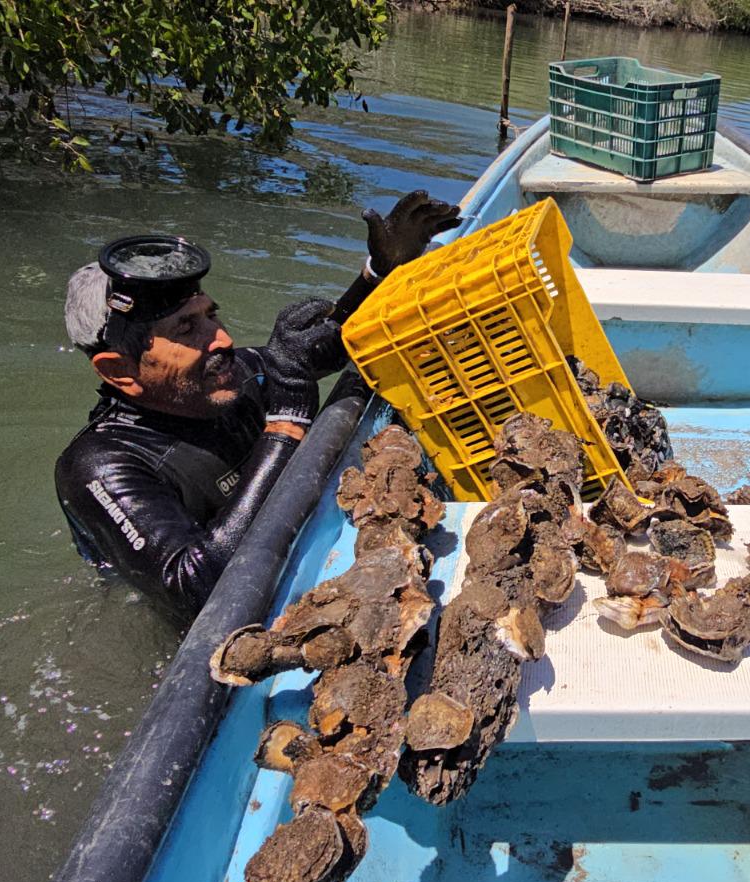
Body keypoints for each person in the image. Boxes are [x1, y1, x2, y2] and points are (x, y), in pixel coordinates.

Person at [55, 191, 460, 614]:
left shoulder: (223, 376)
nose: (223, 339)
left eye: (212, 315)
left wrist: (380, 272)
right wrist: (284, 427)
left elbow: (318, 352)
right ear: (119, 370)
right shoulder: (98, 465)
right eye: (187, 328)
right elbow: (193, 588)